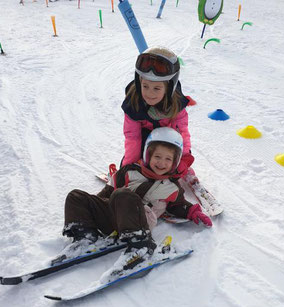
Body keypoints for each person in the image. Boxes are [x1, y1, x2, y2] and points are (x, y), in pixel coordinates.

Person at [63, 128, 212, 260]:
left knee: (123, 195)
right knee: (75, 196)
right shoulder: (129, 171)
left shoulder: (172, 187)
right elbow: (107, 192)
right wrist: (91, 208)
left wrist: (193, 212)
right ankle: (85, 237)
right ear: (148, 155)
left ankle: (141, 244)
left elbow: (179, 205)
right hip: (113, 217)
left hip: (139, 222)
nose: (161, 163)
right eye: (157, 157)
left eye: (168, 159)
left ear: (174, 162)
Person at [121, 46, 197, 182]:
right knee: (143, 159)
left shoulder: (176, 105)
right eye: (145, 86)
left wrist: (183, 157)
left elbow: (182, 133)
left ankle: (170, 168)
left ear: (169, 88)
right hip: (145, 141)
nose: (150, 93)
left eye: (157, 88)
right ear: (139, 84)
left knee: (168, 154)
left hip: (167, 139)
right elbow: (133, 138)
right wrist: (129, 166)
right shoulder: (133, 105)